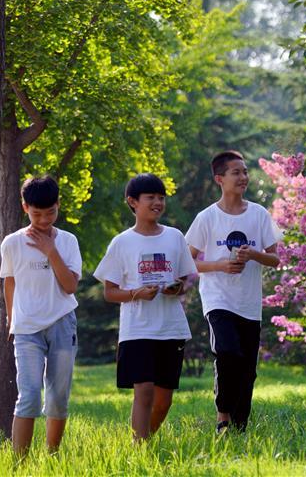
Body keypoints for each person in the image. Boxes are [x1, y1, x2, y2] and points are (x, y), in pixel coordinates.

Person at [94, 173, 197, 441]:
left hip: (171, 328)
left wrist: (177, 288)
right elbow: (110, 292)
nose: (157, 203)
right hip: (137, 329)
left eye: (161, 198)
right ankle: (138, 449)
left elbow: (185, 281)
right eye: (150, 197)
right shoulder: (122, 242)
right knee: (144, 391)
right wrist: (136, 294)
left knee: (163, 401)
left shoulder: (175, 237)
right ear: (133, 201)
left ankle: (144, 441)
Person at [185, 151, 281, 434]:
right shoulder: (207, 217)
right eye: (236, 172)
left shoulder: (259, 214)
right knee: (227, 352)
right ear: (220, 179)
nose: (243, 177)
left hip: (249, 303)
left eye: (245, 172)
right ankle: (222, 416)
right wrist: (219, 265)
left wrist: (253, 254)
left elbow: (275, 259)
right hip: (218, 299)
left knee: (247, 369)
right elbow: (186, 260)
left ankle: (239, 428)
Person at [0, 175, 81, 456]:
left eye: (50, 212)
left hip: (62, 323)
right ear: (25, 208)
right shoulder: (12, 243)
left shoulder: (68, 241)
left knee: (58, 397)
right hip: (26, 329)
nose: (45, 220)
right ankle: (19, 464)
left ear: (58, 204)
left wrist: (51, 251)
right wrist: (10, 320)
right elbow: (9, 283)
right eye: (37, 214)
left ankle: (52, 456)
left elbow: (70, 286)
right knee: (30, 396)